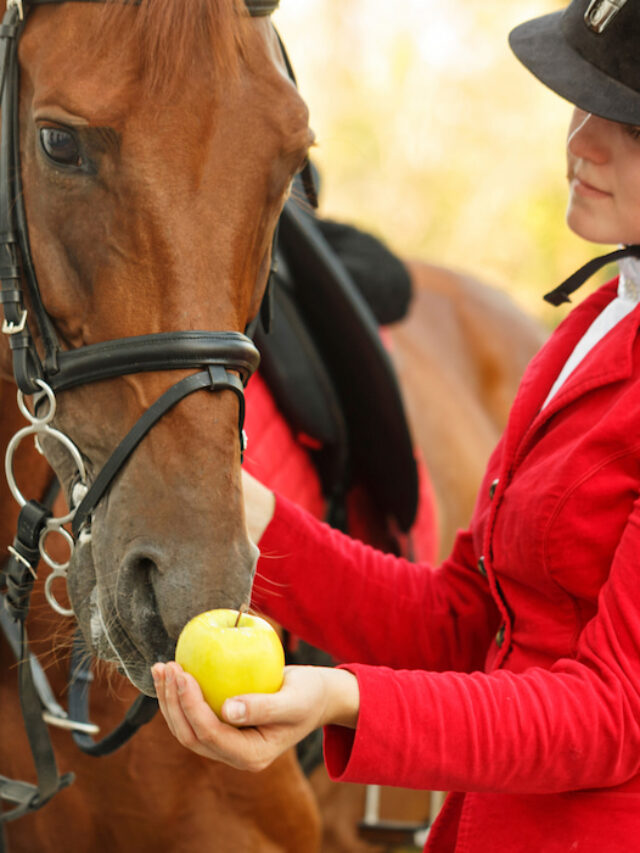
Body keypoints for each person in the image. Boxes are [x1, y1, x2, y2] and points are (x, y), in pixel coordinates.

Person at [152, 1, 640, 849]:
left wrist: (346, 698)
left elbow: (613, 712)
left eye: (631, 124)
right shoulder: (595, 323)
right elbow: (467, 621)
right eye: (583, 100)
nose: (582, 140)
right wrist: (259, 522)